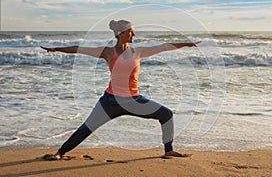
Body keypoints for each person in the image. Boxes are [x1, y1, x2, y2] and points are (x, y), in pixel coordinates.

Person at [41, 19, 200, 160]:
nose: (134, 34)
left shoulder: (138, 52)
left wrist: (185, 44)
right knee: (86, 128)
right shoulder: (108, 52)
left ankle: (169, 151)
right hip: (110, 101)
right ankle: (61, 152)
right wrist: (56, 49)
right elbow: (79, 49)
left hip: (134, 100)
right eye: (131, 31)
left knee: (166, 114)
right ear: (120, 33)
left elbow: (164, 46)